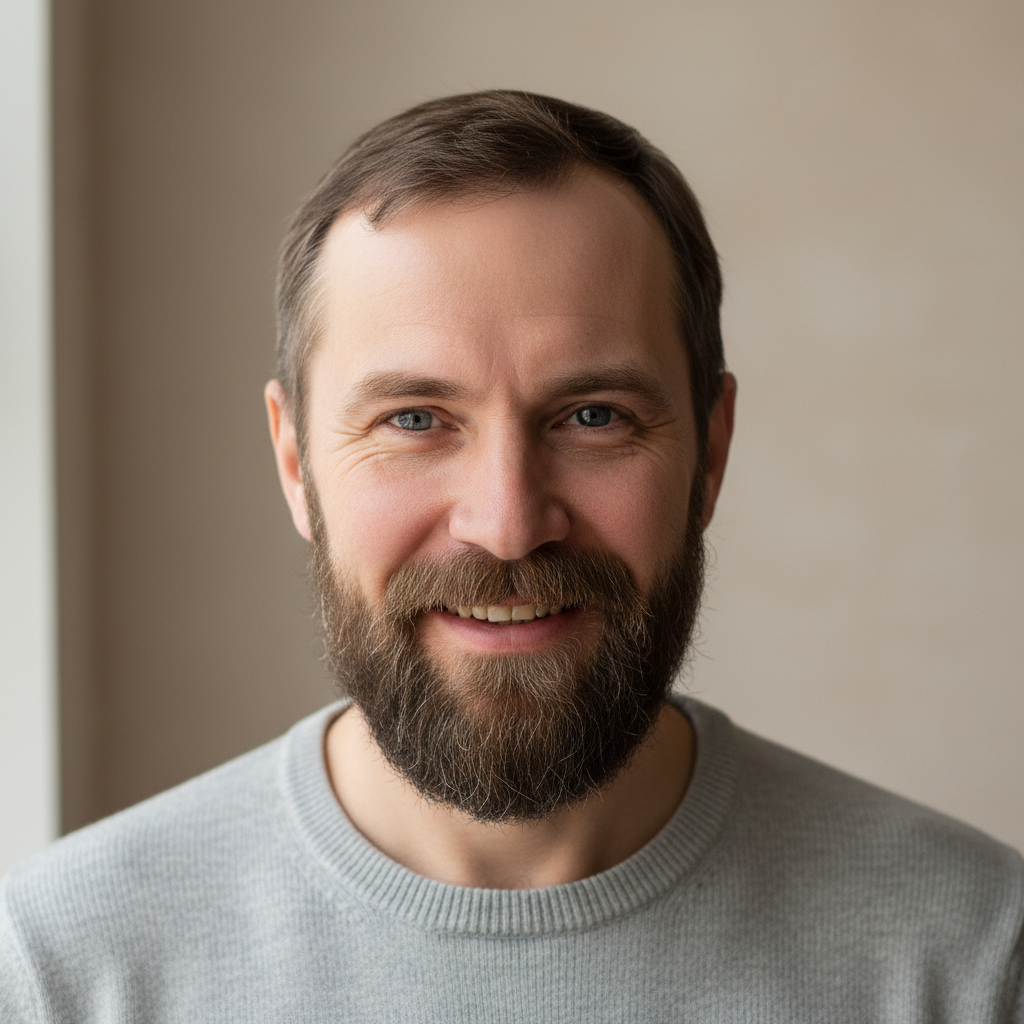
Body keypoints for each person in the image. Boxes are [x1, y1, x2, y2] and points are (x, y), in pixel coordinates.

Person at [1, 90, 1021, 1022]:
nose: (505, 521)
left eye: (591, 415)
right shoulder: (61, 969)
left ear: (710, 451)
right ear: (295, 462)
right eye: (413, 418)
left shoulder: (974, 957)